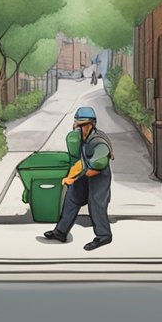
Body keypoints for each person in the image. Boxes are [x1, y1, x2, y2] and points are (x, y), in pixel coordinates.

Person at [44, 106, 112, 250]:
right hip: (85, 172)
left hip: (98, 177)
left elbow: (97, 166)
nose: (80, 129)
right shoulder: (82, 140)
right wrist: (71, 176)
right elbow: (80, 162)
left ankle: (103, 236)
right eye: (78, 125)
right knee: (72, 197)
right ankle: (60, 232)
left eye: (84, 125)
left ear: (92, 125)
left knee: (96, 204)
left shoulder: (98, 142)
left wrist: (75, 177)